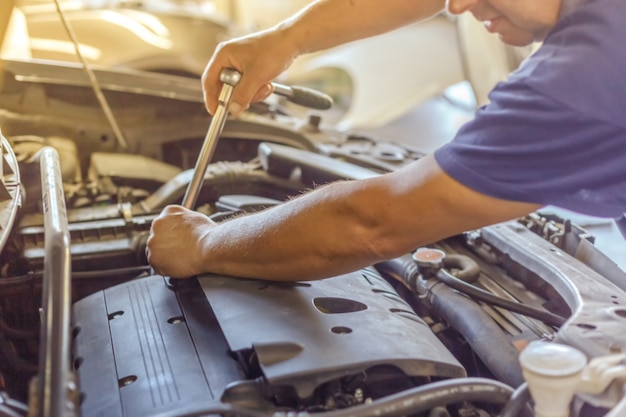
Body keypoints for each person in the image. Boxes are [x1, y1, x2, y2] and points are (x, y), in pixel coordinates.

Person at [146, 0, 626, 281]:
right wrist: (286, 38)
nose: (455, 7)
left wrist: (206, 242)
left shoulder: (582, 76)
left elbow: (374, 222)